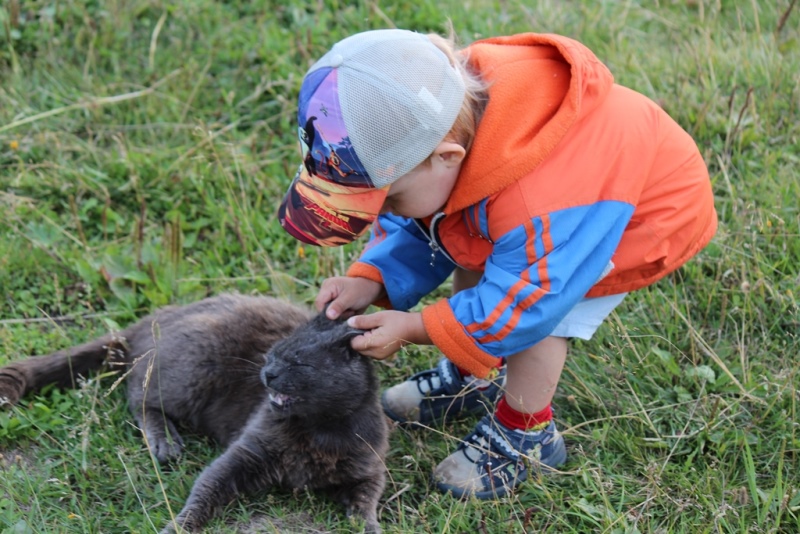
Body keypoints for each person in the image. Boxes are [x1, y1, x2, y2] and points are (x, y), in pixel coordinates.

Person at [277, 28, 717, 499]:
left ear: (448, 158)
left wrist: (415, 327)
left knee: (543, 325)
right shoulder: (434, 117)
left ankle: (527, 433)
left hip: (630, 218)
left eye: (388, 201)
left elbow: (524, 304)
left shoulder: (540, 205)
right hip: (540, 207)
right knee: (468, 244)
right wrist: (373, 278)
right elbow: (426, 223)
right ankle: (475, 377)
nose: (384, 214)